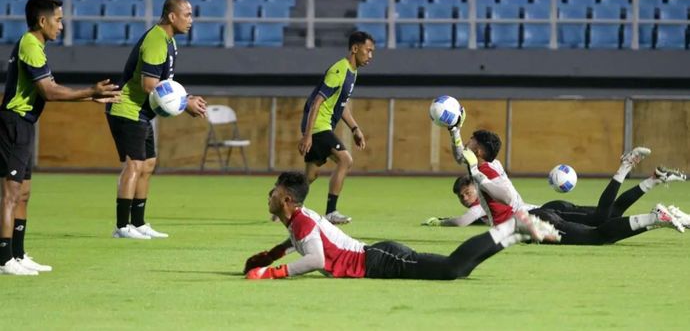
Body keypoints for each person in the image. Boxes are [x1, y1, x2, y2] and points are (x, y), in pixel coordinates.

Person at [243, 172, 560, 280]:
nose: (268, 194)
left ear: (286, 199)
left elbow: (315, 259)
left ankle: (511, 229)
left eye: (274, 191)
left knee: (451, 268)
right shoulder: (300, 219)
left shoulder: (300, 221)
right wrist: (270, 256)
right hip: (379, 258)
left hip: (379, 260)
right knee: (456, 271)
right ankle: (513, 234)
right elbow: (298, 243)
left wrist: (273, 273)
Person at [0, 0, 121, 275]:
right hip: (14, 122)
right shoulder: (30, 44)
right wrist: (90, 91)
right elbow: (49, 92)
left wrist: (89, 98)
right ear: (42, 21)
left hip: (23, 124)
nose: (62, 26)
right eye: (58, 19)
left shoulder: (36, 46)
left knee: (24, 193)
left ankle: (17, 254)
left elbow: (52, 88)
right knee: (10, 193)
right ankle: (4, 259)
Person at [440, 129, 686, 245]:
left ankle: (655, 217)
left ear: (479, 151)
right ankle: (654, 196)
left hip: (533, 222)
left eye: (470, 142)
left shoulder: (482, 170)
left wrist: (476, 175)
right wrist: (455, 131)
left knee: (598, 234)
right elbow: (461, 155)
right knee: (604, 220)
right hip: (537, 215)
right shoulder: (488, 163)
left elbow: (504, 195)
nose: (466, 145)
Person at [105, 0, 207, 240]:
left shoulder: (169, 41)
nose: (191, 20)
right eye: (187, 14)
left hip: (142, 112)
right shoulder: (156, 40)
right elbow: (151, 85)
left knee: (148, 164)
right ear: (172, 16)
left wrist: (187, 96)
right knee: (134, 165)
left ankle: (138, 223)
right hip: (127, 108)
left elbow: (166, 84)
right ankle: (122, 227)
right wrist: (185, 104)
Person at [424, 150, 687, 228]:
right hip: (551, 210)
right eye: (461, 196)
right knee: (610, 214)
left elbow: (462, 221)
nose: (465, 198)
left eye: (467, 192)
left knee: (602, 219)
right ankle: (654, 179)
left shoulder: (480, 202)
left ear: (475, 188)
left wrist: (439, 222)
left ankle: (626, 166)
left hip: (548, 213)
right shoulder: (485, 199)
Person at [297, 31, 374, 224]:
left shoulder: (352, 72)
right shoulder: (339, 71)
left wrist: (355, 128)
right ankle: (331, 212)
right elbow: (316, 102)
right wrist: (308, 135)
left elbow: (341, 104)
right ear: (355, 49)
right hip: (318, 126)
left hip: (320, 126)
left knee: (310, 175)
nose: (370, 56)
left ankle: (283, 199)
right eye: (368, 50)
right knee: (345, 160)